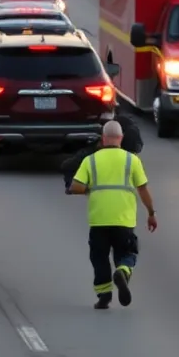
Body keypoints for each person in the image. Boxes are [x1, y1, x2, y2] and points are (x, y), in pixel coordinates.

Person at [66, 121, 157, 310]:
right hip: (124, 219)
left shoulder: (90, 160)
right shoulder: (132, 160)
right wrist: (151, 213)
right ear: (121, 139)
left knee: (99, 258)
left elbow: (76, 186)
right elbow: (143, 190)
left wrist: (87, 190)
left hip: (99, 220)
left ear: (103, 139)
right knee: (127, 253)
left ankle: (104, 296)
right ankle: (122, 272)